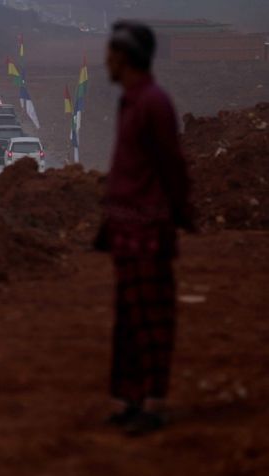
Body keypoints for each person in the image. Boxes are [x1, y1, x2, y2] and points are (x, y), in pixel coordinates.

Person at [97, 20, 193, 435]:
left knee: (152, 319)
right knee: (130, 321)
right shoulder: (130, 102)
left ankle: (153, 403)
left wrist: (180, 211)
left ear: (126, 57)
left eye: (112, 54)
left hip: (148, 233)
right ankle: (132, 400)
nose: (106, 61)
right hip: (125, 232)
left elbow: (171, 164)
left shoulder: (154, 103)